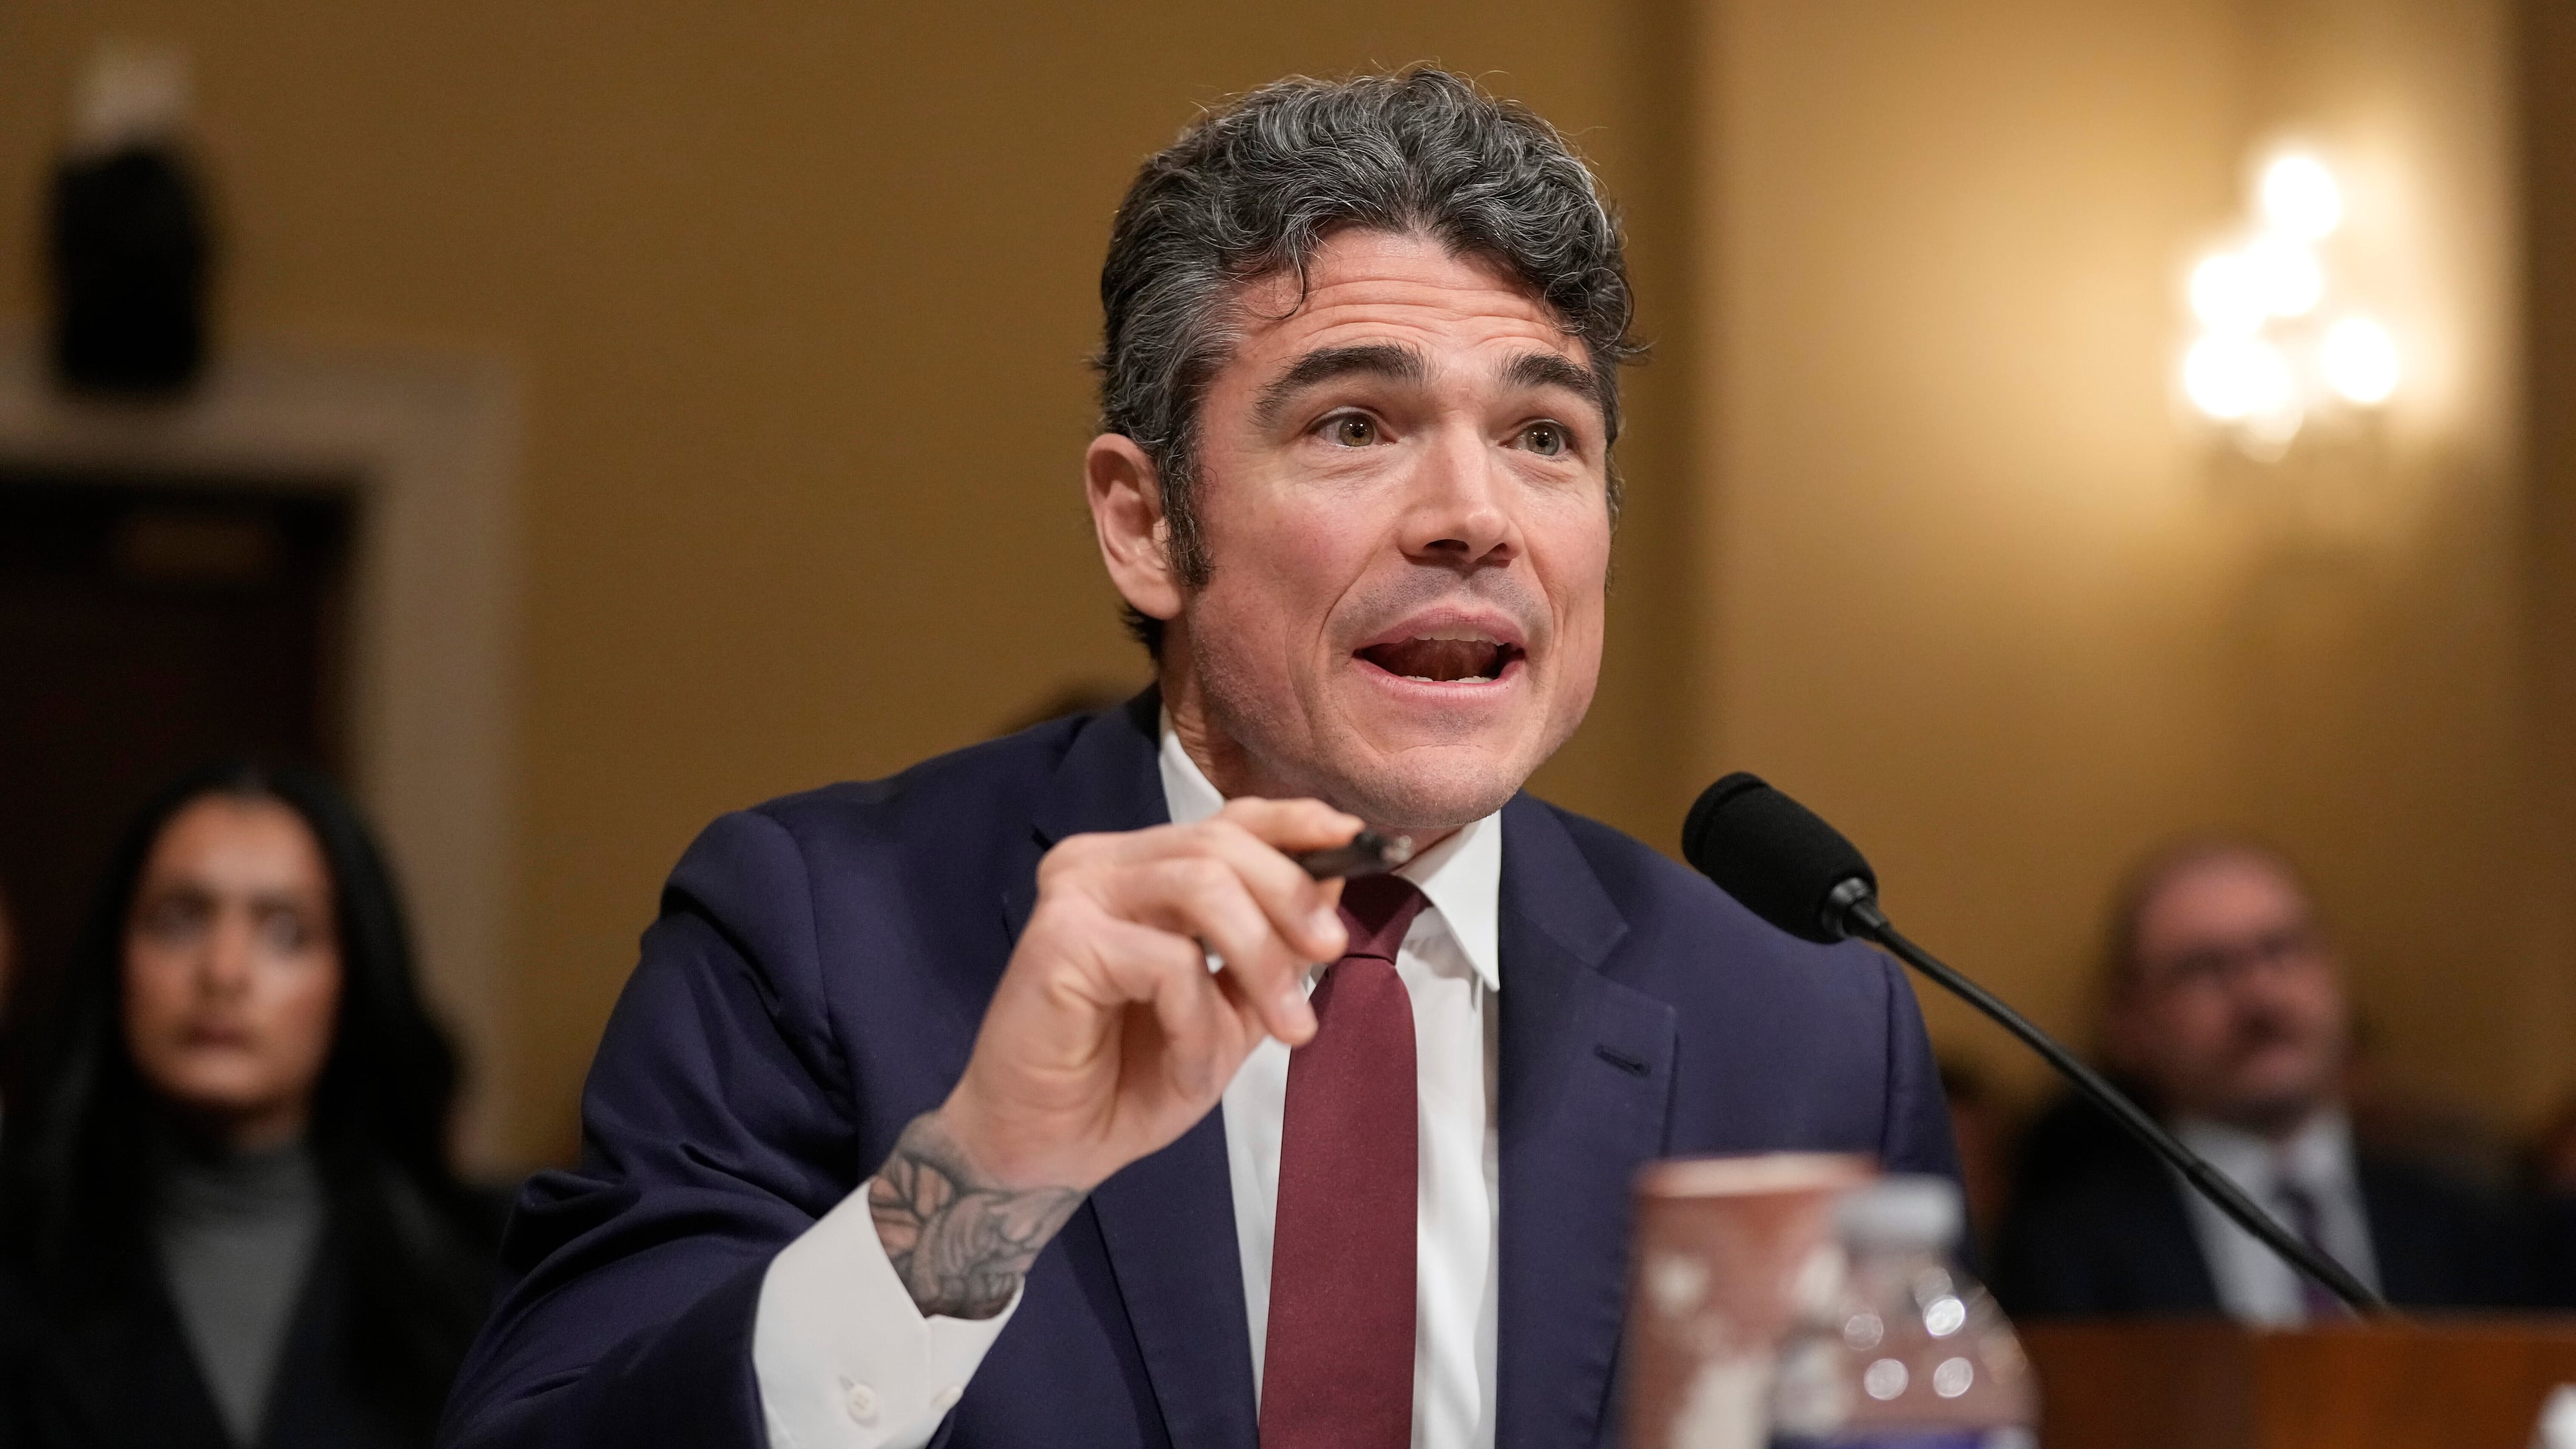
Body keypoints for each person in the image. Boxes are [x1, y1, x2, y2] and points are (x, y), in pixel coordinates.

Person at [441, 68, 1957, 1449]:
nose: (1474, 516)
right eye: (1356, 424)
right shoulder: (818, 936)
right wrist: (978, 1185)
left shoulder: (1801, 1025)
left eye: (1543, 436)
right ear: (1147, 524)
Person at [0, 761, 504, 1448]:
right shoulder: (21, 1255)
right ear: (116, 959)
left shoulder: (487, 1274)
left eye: (286, 931)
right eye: (179, 921)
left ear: (353, 975)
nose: (224, 972)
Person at [1993, 837, 2524, 1321]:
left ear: (2335, 972)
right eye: (2205, 967)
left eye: (2282, 949)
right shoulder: (2063, 1253)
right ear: (2131, 1021)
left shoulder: (2470, 1227)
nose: (2260, 995)